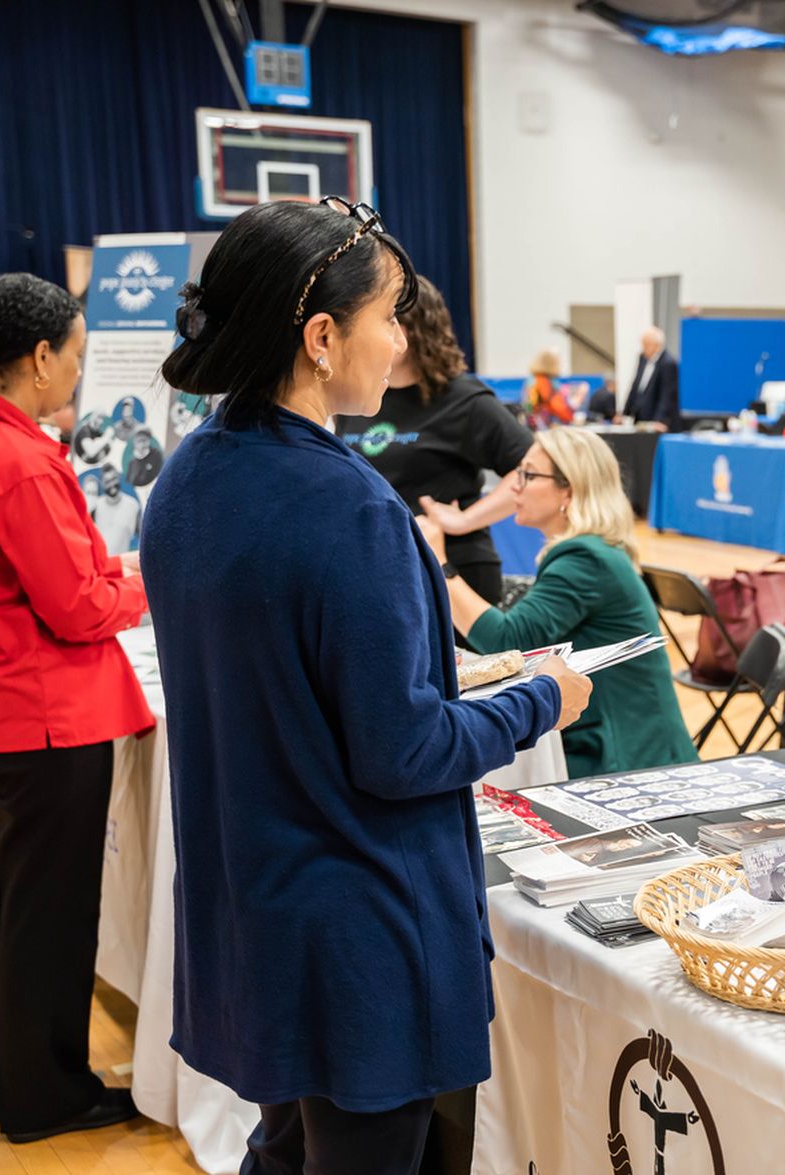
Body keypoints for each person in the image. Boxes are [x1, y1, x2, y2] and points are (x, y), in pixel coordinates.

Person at [141, 197, 593, 1175]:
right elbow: (404, 751)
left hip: (253, 908)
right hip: (361, 929)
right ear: (318, 336)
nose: (398, 344)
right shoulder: (350, 508)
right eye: (390, 316)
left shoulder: (186, 479)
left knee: (288, 1140)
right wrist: (540, 699)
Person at [0, 272, 151, 1143]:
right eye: (77, 359)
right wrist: (144, 585)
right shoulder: (18, 459)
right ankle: (48, 1093)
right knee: (47, 917)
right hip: (43, 716)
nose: (80, 377)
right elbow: (76, 605)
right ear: (40, 358)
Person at [417, 427, 697, 779]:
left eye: (528, 475)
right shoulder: (590, 551)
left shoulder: (584, 557)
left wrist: (438, 563)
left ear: (570, 489)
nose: (514, 485)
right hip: (613, 743)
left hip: (627, 759)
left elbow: (506, 640)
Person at [334, 275, 534, 608]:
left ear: (417, 328)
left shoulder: (464, 400)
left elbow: (535, 466)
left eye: (391, 320)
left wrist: (467, 519)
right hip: (379, 569)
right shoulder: (360, 397)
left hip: (455, 573)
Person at [625, 326, 681, 431]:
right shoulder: (642, 358)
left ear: (657, 345)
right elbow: (636, 385)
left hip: (658, 421)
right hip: (641, 417)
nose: (643, 348)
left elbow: (667, 395)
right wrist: (625, 412)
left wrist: (659, 420)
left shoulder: (668, 363)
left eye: (646, 344)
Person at [91, 464, 140, 555]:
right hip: (100, 565)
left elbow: (143, 537)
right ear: (102, 484)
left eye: (114, 479)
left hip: (121, 565)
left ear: (118, 477)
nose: (112, 484)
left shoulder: (132, 505)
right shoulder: (96, 506)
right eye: (107, 481)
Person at [524, 349, 574, 429]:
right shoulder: (545, 382)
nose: (561, 365)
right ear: (551, 364)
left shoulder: (532, 379)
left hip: (534, 424)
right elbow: (557, 407)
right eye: (558, 362)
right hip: (544, 427)